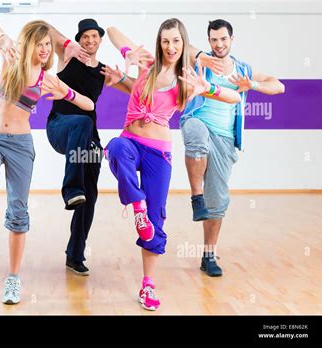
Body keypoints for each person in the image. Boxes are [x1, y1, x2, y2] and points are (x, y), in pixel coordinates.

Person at [104, 19, 241, 310]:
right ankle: (136, 203)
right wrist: (128, 52)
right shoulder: (146, 63)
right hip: (130, 140)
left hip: (158, 152)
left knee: (156, 221)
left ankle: (148, 286)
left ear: (183, 43)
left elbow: (233, 97)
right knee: (114, 148)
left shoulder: (188, 79)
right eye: (166, 41)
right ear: (159, 42)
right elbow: (113, 31)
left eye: (176, 41)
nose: (170, 47)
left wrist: (208, 89)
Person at [0, 13, 95, 304]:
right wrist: (1, 35)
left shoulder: (47, 79)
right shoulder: (10, 59)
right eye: (39, 44)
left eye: (48, 44)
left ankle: (13, 279)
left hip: (21, 145)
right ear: (28, 46)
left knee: (18, 213)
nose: (45, 49)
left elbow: (89, 103)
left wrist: (65, 91)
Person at [180, 19, 285, 277]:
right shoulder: (201, 61)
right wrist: (201, 56)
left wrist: (254, 85)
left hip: (225, 138)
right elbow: (184, 46)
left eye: (223, 39)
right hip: (197, 121)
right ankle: (196, 196)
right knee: (196, 138)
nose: (219, 44)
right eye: (214, 39)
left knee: (217, 201)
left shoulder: (243, 69)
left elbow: (279, 85)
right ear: (209, 41)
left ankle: (208, 255)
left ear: (231, 39)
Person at [44, 18, 143, 276]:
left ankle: (75, 255)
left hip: (87, 138)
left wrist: (123, 74)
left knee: (89, 196)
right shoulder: (67, 55)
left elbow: (135, 89)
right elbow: (44, 26)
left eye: (94, 37)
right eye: (84, 37)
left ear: (100, 40)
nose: (89, 41)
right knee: (82, 122)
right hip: (60, 127)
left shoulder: (103, 71)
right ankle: (70, 188)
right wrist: (66, 44)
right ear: (79, 39)